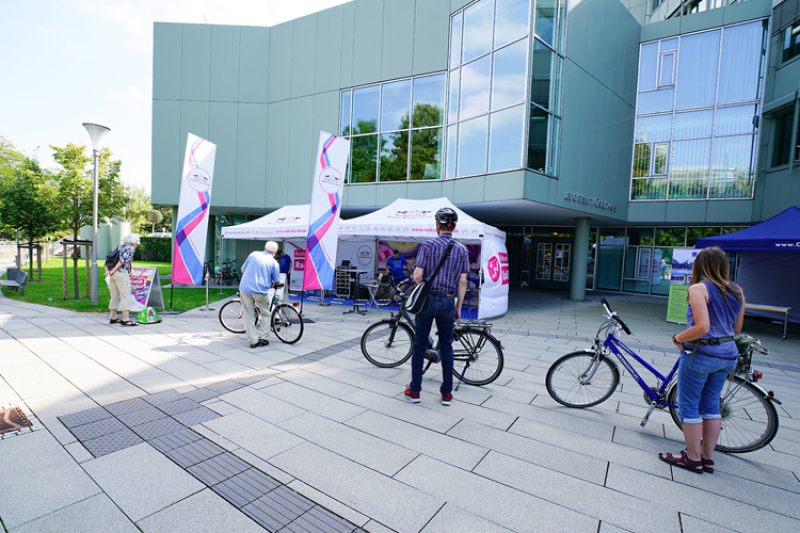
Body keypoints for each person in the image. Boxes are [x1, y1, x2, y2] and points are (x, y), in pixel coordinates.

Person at [659, 247, 745, 474]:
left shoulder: (699, 288)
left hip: (701, 354)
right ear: (724, 265)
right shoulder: (737, 290)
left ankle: (692, 457)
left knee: (688, 405)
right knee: (711, 405)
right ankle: (707, 458)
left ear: (698, 265)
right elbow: (737, 328)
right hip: (728, 355)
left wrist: (678, 337)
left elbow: (702, 327)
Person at [405, 207, 469, 406]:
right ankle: (447, 394)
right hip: (449, 300)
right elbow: (463, 282)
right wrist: (458, 307)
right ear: (454, 227)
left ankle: (415, 391)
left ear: (437, 225)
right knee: (447, 347)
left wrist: (423, 290)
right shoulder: (461, 249)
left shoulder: (428, 245)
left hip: (428, 299)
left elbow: (417, 275)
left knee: (420, 344)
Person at [239, 241, 281, 349]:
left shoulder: (253, 255)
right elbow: (276, 280)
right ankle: (263, 338)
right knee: (266, 314)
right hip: (260, 291)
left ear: (264, 247)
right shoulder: (273, 262)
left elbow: (243, 270)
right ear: (274, 251)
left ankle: (252, 341)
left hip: (245, 288)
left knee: (248, 314)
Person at [105, 233, 140, 327]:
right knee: (125, 295)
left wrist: (109, 271)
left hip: (112, 274)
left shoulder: (119, 247)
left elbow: (108, 259)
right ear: (133, 241)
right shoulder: (130, 248)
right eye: (136, 241)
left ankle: (113, 317)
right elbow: (122, 260)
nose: (137, 243)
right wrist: (115, 270)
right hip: (121, 273)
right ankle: (126, 319)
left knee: (114, 295)